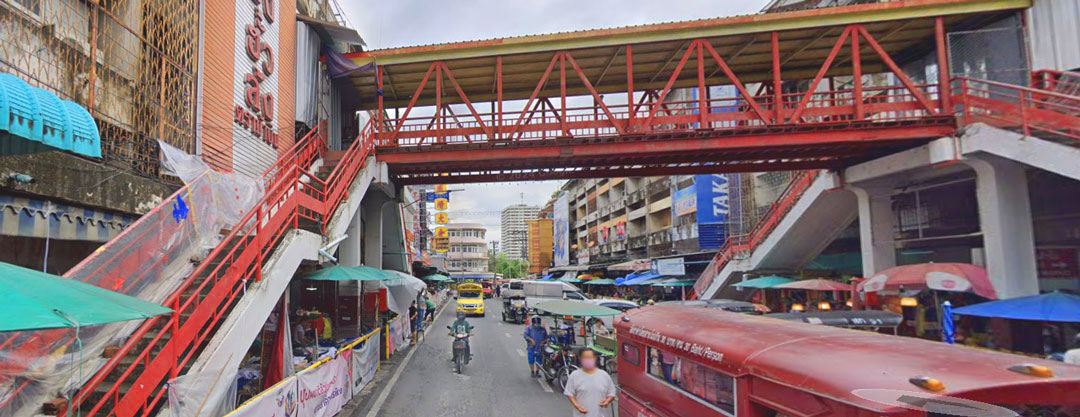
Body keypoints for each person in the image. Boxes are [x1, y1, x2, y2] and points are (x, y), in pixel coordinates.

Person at [564, 348, 617, 417]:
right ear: (580, 359)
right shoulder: (575, 375)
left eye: (590, 357)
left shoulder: (604, 375)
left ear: (595, 358)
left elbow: (611, 393)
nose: (588, 360)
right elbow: (569, 393)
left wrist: (607, 401)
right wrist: (576, 405)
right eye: (585, 358)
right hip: (581, 415)